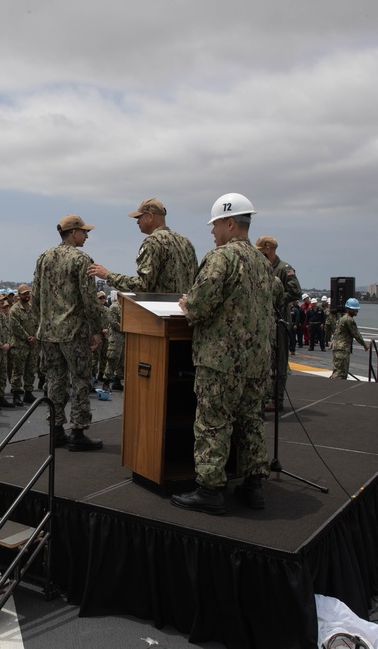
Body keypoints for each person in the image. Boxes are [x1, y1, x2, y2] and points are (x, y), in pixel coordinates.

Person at [170, 193, 274, 515]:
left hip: (220, 360)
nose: (212, 232)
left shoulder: (221, 257)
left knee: (213, 423)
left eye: (215, 225)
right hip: (255, 361)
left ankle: (210, 489)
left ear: (230, 223)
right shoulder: (263, 262)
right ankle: (254, 485)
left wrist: (187, 304)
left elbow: (199, 307)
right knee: (251, 421)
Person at [32, 214, 104, 451]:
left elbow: (35, 297)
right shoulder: (81, 259)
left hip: (49, 333)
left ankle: (55, 430)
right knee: (81, 379)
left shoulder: (44, 257)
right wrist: (95, 330)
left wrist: (40, 324)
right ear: (73, 233)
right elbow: (90, 299)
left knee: (55, 381)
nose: (86, 236)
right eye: (84, 232)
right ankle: (78, 431)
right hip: (73, 332)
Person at [87, 197, 198, 294]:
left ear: (150, 216)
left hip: (160, 313)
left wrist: (108, 275)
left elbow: (143, 285)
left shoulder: (153, 241)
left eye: (139, 217)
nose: (137, 222)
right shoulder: (185, 242)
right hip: (182, 314)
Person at [255, 235, 302, 412]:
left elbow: (295, 292)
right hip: (268, 322)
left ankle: (278, 399)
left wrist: (277, 301)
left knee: (280, 361)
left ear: (268, 249)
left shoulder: (284, 269)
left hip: (280, 322)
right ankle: (267, 396)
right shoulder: (266, 268)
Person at [329, 298, 369, 380]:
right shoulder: (348, 320)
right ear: (348, 309)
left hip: (340, 347)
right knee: (339, 374)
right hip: (342, 349)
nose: (356, 311)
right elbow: (356, 334)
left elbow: (337, 331)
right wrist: (364, 345)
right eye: (354, 309)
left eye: (357, 309)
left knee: (341, 372)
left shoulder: (343, 318)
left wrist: (333, 341)